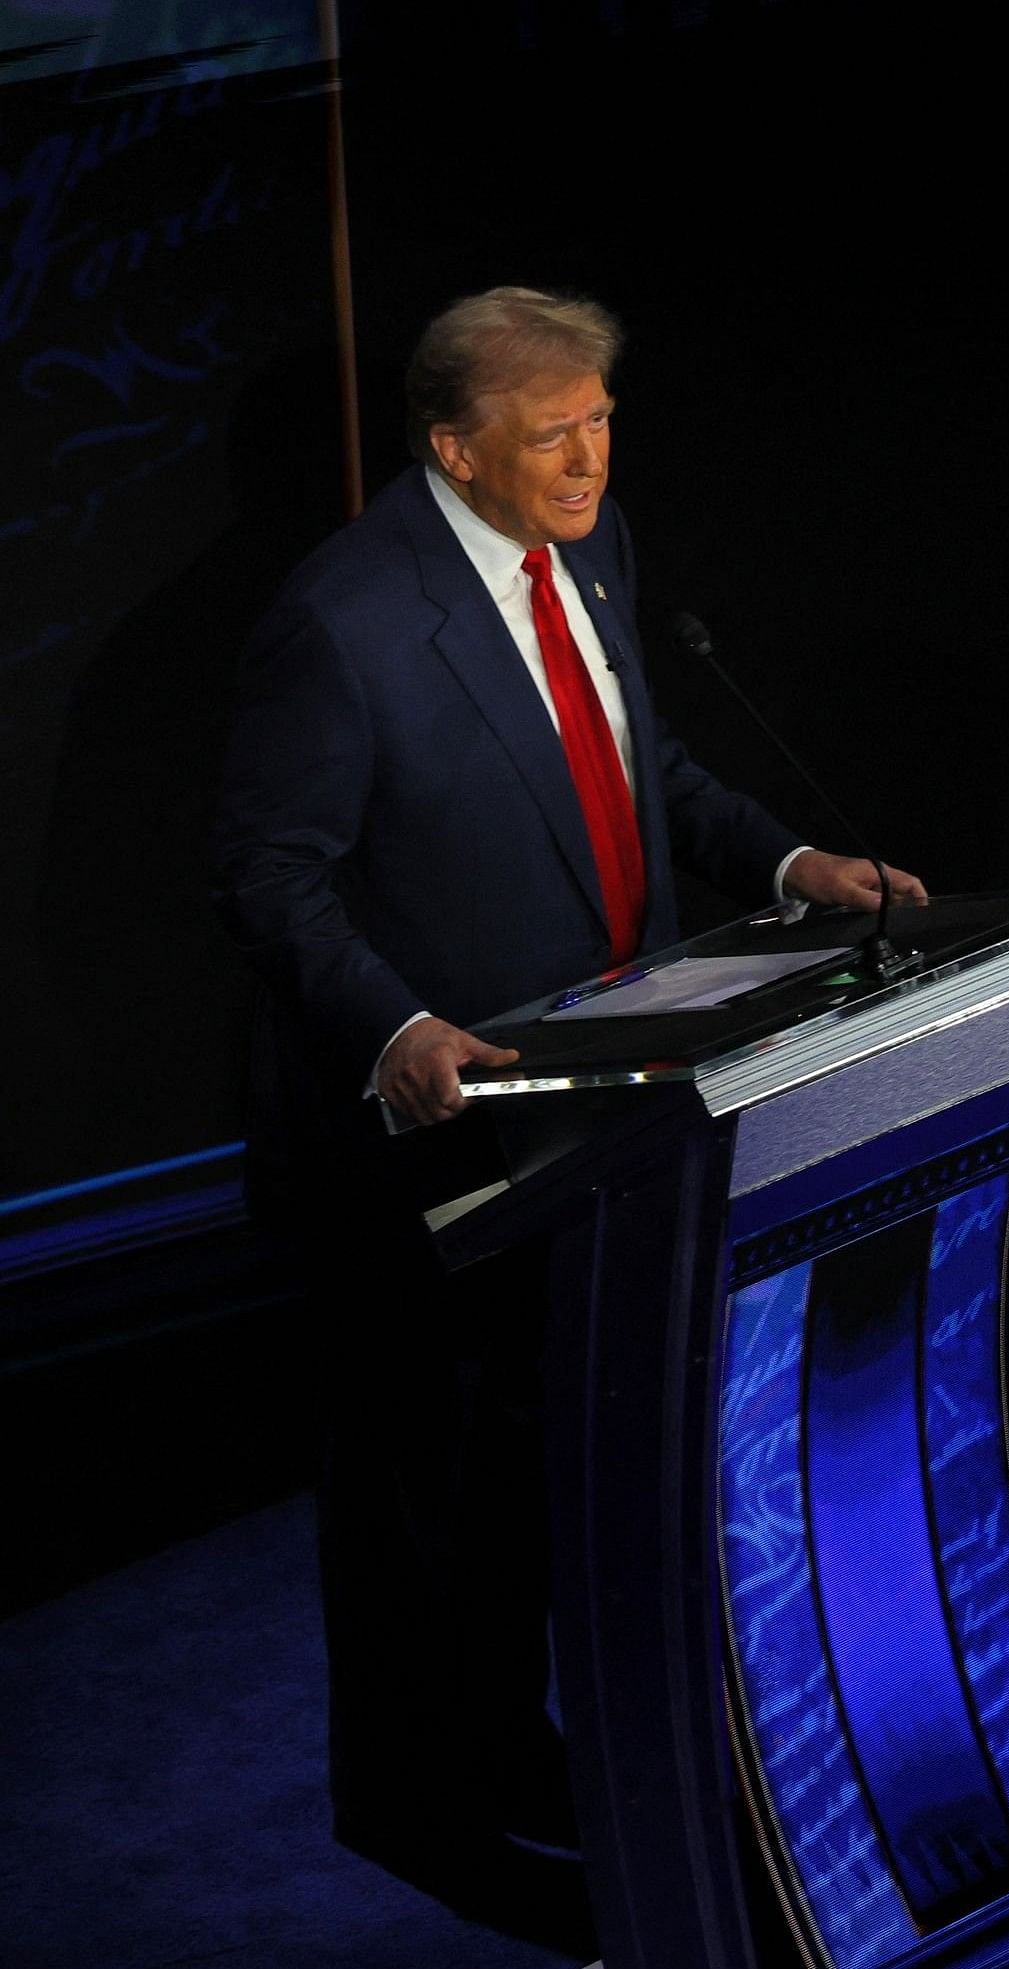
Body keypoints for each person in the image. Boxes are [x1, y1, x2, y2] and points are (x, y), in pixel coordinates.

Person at [208, 286, 918, 1952]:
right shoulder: (345, 619)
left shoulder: (585, 546)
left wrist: (793, 863)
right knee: (428, 1494)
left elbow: (636, 759)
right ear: (457, 445)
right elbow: (266, 868)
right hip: (435, 1142)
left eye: (602, 422)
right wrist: (392, 1022)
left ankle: (520, 1743)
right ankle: (424, 1805)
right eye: (554, 434)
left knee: (544, 1468)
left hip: (613, 1110)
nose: (591, 458)